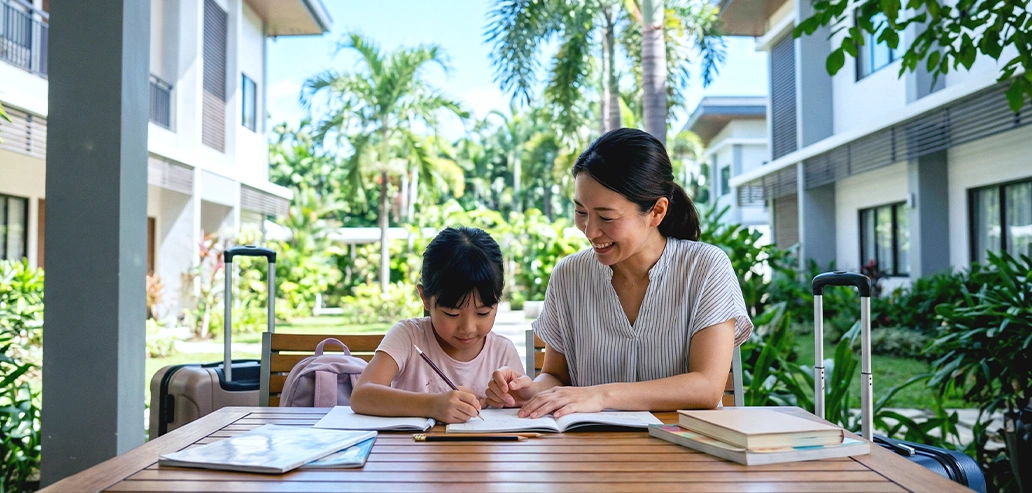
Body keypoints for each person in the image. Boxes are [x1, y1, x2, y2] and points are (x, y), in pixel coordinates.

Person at [486, 128, 753, 418]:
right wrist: (531, 390)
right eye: (580, 211)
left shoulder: (705, 268)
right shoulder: (569, 275)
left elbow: (706, 387)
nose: (590, 231)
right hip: (591, 450)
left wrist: (601, 395)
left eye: (606, 217)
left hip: (686, 449)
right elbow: (556, 377)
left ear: (656, 212)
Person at [350, 226, 525, 423]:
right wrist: (432, 405)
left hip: (482, 452)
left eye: (483, 313)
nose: (467, 327)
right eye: (452, 314)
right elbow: (361, 396)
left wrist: (513, 398)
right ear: (425, 298)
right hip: (410, 451)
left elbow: (523, 405)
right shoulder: (409, 337)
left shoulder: (502, 351)